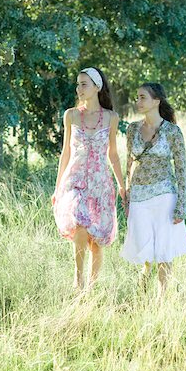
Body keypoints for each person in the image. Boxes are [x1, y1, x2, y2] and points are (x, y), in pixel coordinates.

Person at [52, 67, 125, 291]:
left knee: (97, 240)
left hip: (100, 183)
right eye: (78, 84)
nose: (79, 88)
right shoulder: (71, 115)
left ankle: (92, 287)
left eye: (84, 84)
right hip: (75, 180)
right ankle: (78, 279)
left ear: (97, 86)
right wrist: (57, 189)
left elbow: (112, 154)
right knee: (80, 223)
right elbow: (65, 153)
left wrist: (122, 185)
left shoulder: (111, 118)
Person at [120, 82, 186, 299]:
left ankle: (161, 298)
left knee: (164, 248)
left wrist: (181, 204)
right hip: (139, 196)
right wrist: (127, 195)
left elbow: (181, 169)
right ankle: (144, 277)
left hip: (164, 196)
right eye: (137, 97)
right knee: (143, 245)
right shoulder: (132, 129)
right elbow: (129, 164)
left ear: (156, 101)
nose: (137, 101)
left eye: (142, 97)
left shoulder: (172, 132)